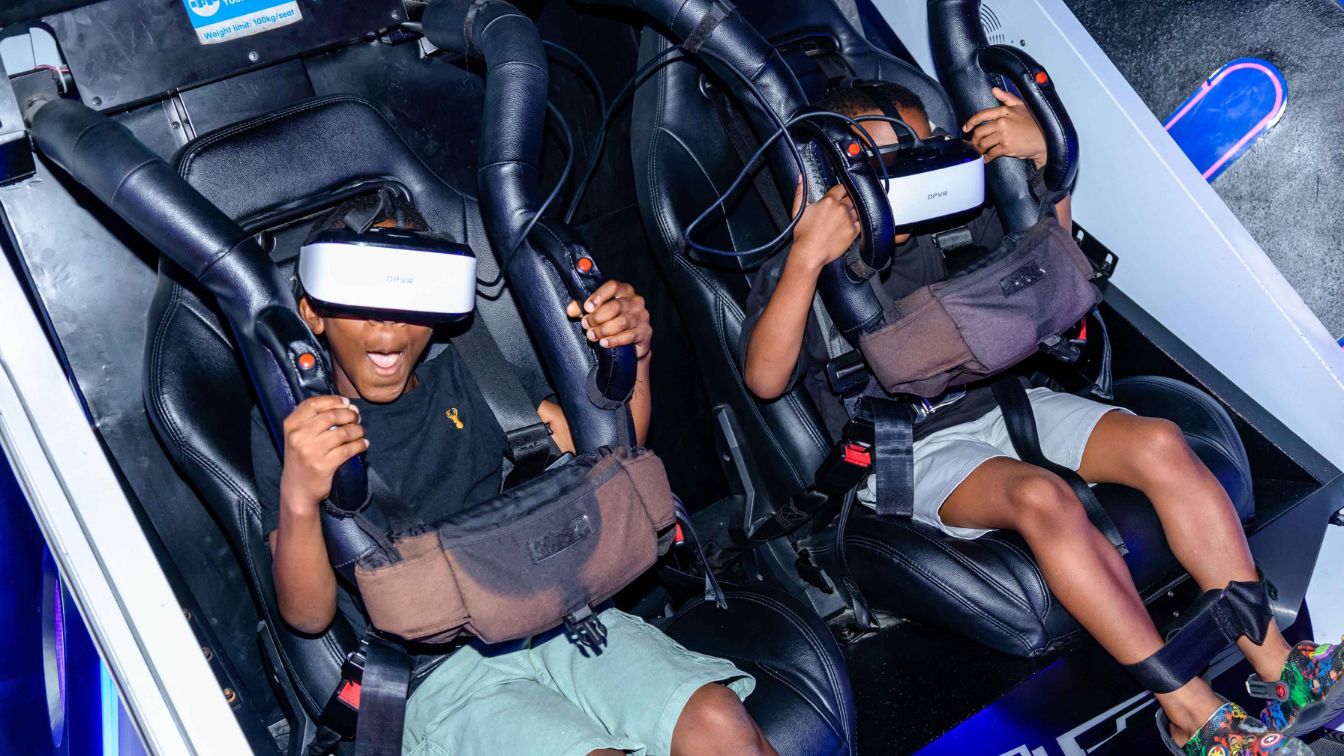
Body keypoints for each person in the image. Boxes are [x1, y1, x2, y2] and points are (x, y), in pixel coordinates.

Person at [740, 82, 1340, 755]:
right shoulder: (810, 263)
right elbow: (764, 378)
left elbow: (1056, 275)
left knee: (1160, 442)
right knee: (1042, 497)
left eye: (918, 151)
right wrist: (804, 257)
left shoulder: (959, 221)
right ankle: (1189, 709)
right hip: (910, 447)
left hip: (1008, 403)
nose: (908, 171)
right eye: (884, 160)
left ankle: (1277, 664)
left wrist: (1043, 166)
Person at [251, 193, 775, 756]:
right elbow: (307, 616)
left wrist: (634, 354)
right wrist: (302, 497)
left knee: (722, 728)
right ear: (313, 311)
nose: (389, 321)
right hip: (442, 676)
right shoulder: (294, 430)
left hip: (555, 613)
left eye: (408, 293)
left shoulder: (473, 374)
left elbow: (613, 459)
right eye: (362, 293)